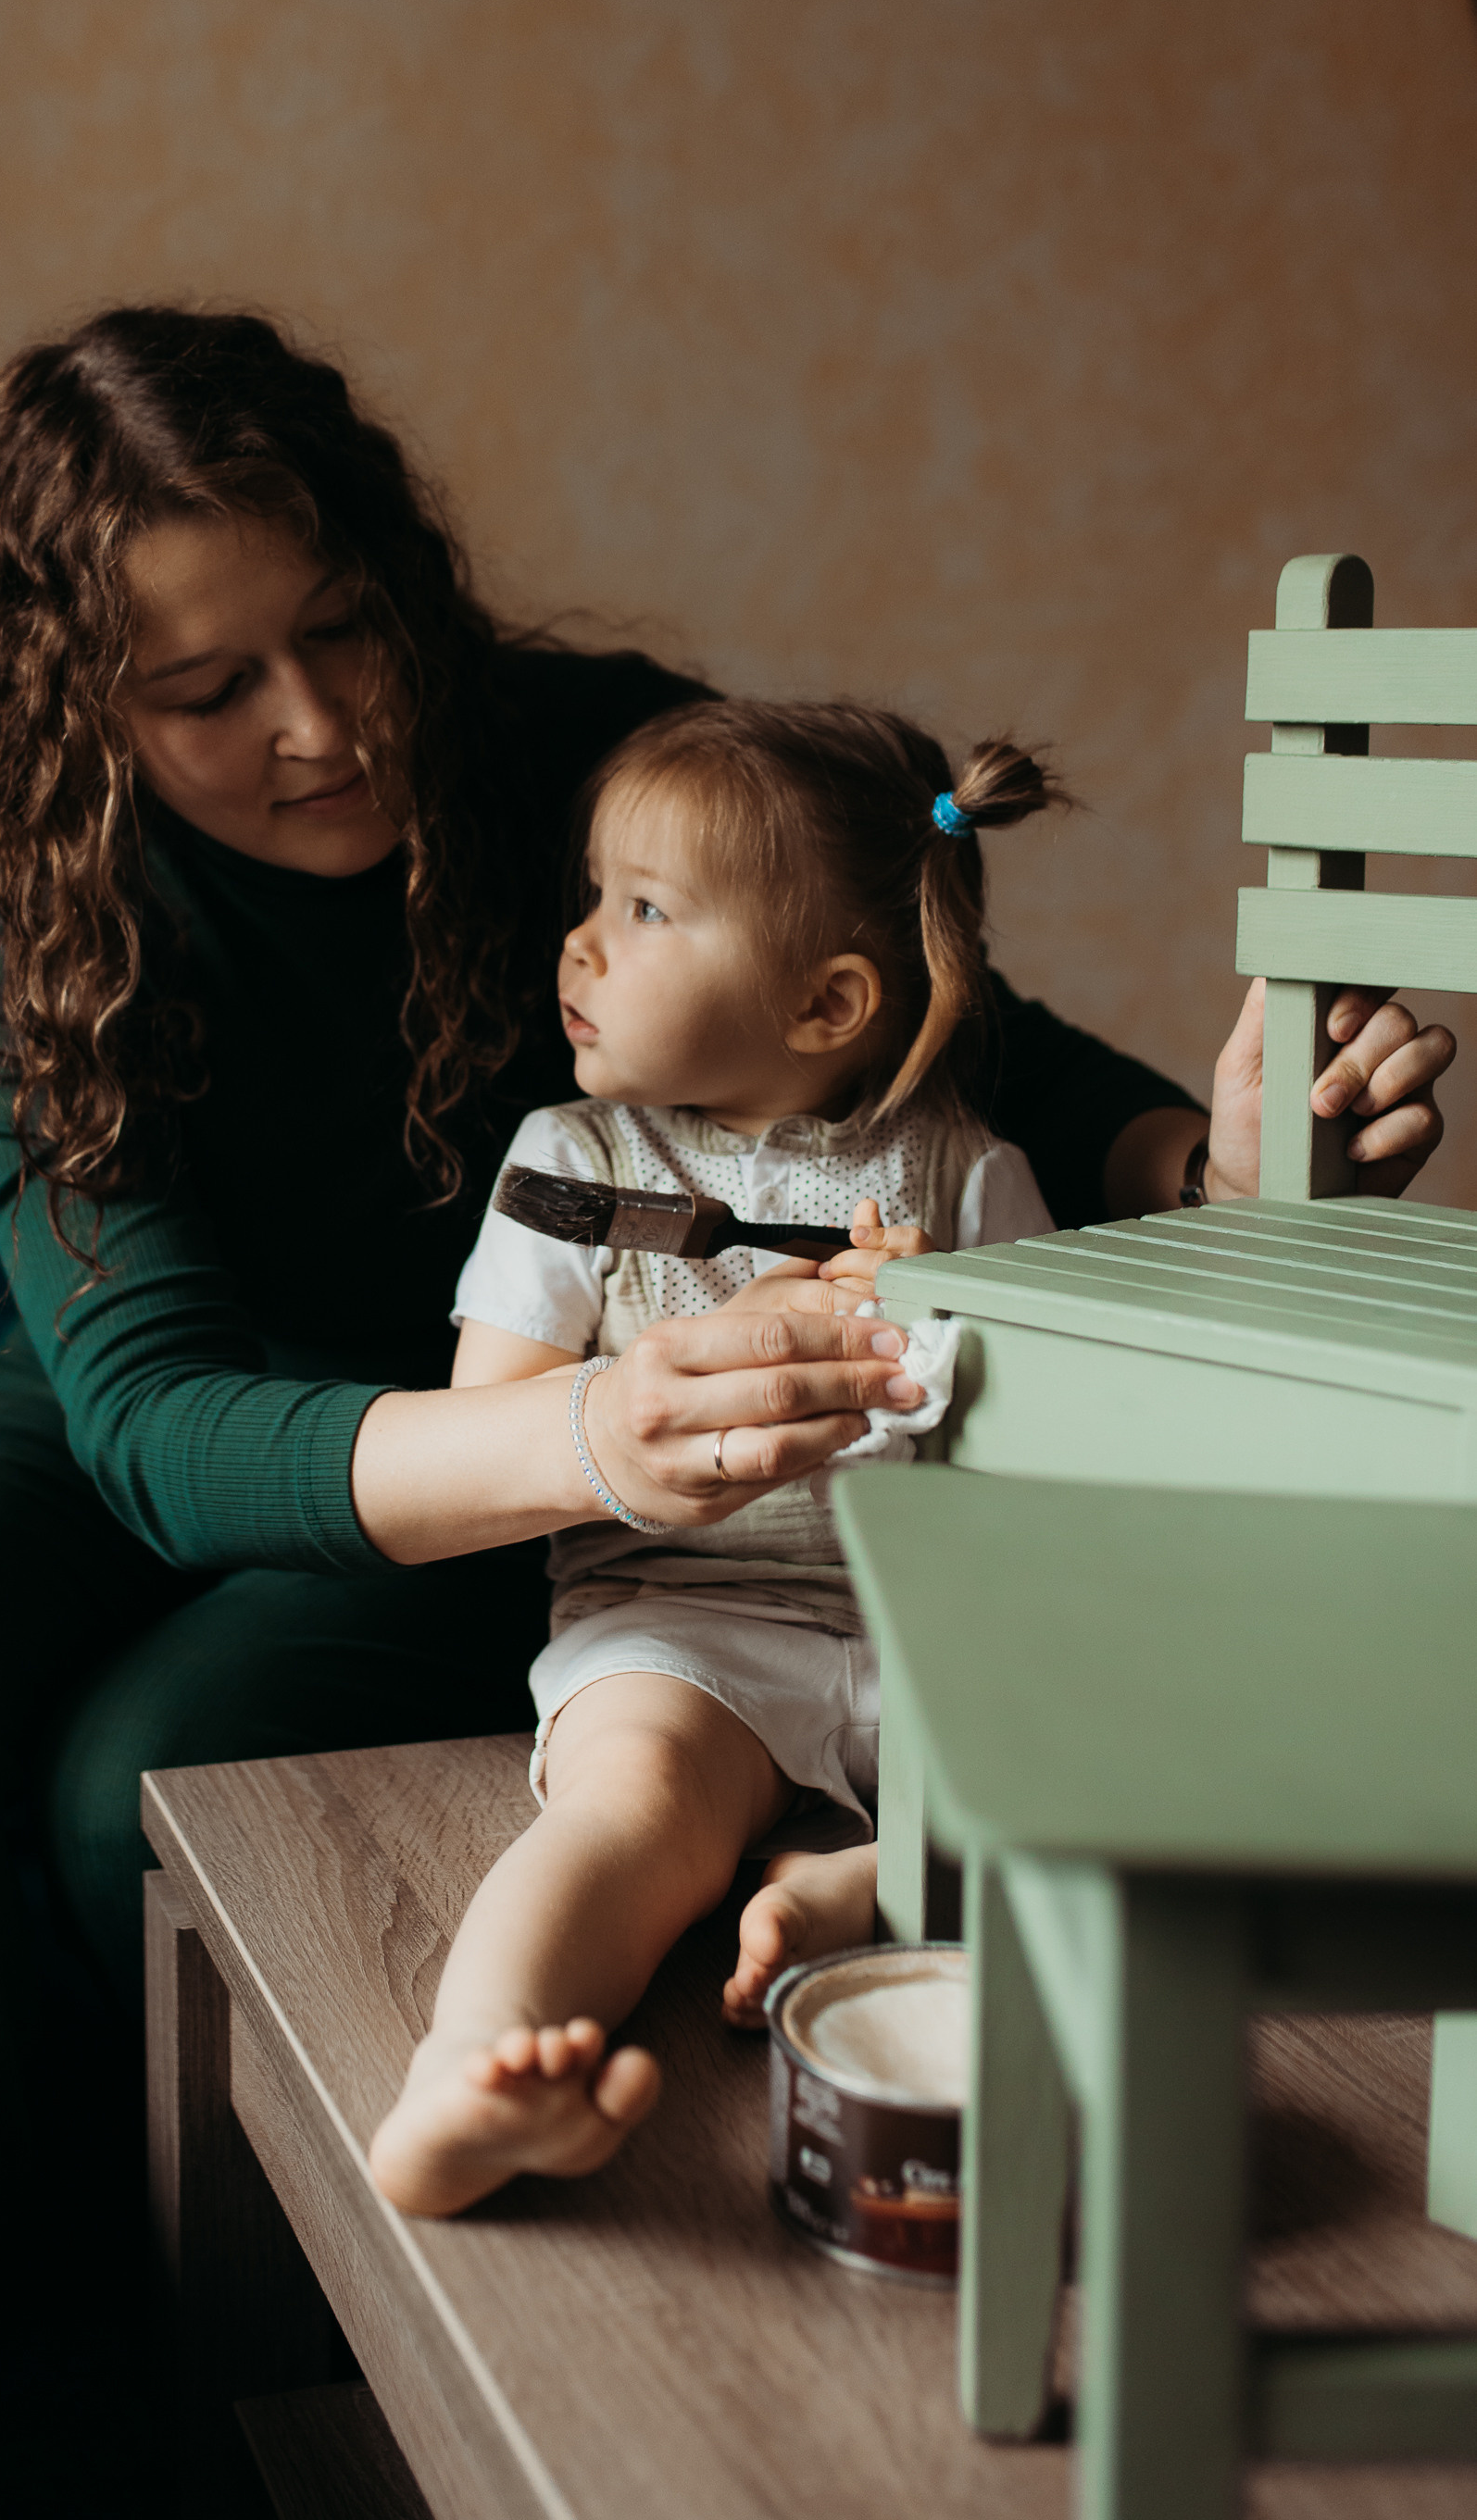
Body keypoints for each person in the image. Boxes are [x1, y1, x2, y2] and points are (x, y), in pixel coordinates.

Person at [0, 308, 1454, 2508]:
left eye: (346, 628)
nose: (320, 723)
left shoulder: (601, 758)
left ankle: (161, 2343)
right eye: (205, 691)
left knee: (116, 1786)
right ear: (78, 713)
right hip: (312, 1373)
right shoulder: (23, 904)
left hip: (562, 1388)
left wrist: (1210, 1164)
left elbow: (964, 1061)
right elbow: (155, 1416)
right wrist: (587, 1437)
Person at [369, 698, 1058, 2215]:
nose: (580, 944)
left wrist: (948, 1336)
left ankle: (851, 1884)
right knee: (633, 1808)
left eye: (644, 909)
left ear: (824, 1006)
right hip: (680, 1629)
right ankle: (471, 2073)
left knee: (1105, 1783)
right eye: (593, 897)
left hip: (925, 1635)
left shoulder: (965, 1177)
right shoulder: (575, 1165)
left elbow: (1042, 1465)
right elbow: (501, 1417)